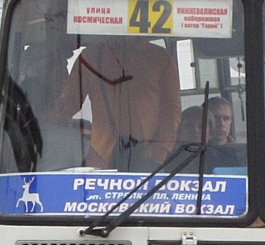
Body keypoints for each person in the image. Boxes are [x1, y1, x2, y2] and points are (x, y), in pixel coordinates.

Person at [56, 35, 181, 171]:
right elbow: (70, 102)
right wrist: (41, 121)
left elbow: (171, 111)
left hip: (148, 156)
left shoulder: (160, 58)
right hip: (101, 156)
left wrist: (160, 151)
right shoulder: (90, 57)